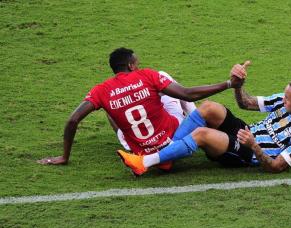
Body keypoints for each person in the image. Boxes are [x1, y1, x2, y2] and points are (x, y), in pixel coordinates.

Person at [37, 47, 243, 166]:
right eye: (137, 62)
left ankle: (141, 152)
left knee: (110, 108)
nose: (139, 65)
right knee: (169, 85)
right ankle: (193, 121)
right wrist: (227, 84)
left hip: (137, 148)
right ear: (131, 66)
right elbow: (187, 93)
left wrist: (65, 156)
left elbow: (73, 119)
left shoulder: (101, 90)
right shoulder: (147, 75)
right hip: (171, 139)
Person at [117, 62, 291, 175]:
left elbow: (276, 167)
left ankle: (145, 162)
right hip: (246, 131)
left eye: (287, 99)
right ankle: (166, 155)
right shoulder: (284, 102)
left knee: (201, 134)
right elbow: (245, 103)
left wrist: (255, 146)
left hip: (249, 152)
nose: (282, 100)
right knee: (209, 108)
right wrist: (238, 84)